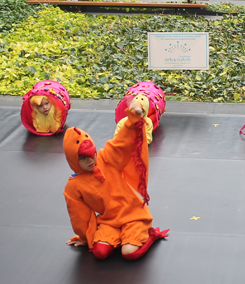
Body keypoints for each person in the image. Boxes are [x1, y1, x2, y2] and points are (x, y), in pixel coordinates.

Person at [63, 101, 168, 260]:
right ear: (73, 160)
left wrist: (132, 118)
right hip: (109, 221)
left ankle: (149, 234)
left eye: (92, 154)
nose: (91, 160)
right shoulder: (73, 187)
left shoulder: (107, 159)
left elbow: (121, 143)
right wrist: (86, 238)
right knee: (100, 253)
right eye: (83, 158)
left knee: (129, 253)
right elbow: (79, 217)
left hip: (133, 215)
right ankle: (121, 236)